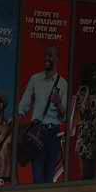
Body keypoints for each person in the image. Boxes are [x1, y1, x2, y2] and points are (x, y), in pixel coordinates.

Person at [18, 45, 68, 184]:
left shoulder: (63, 84)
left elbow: (64, 116)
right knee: (37, 176)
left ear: (57, 59)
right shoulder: (35, 79)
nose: (47, 58)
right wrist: (17, 117)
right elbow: (24, 104)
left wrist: (58, 103)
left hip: (54, 135)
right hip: (37, 134)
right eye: (45, 55)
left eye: (50, 55)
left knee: (49, 176)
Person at [70, 62, 96, 180]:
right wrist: (85, 96)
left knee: (93, 170)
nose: (94, 76)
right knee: (85, 170)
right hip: (84, 135)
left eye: (95, 73)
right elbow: (80, 112)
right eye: (91, 73)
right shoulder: (82, 91)